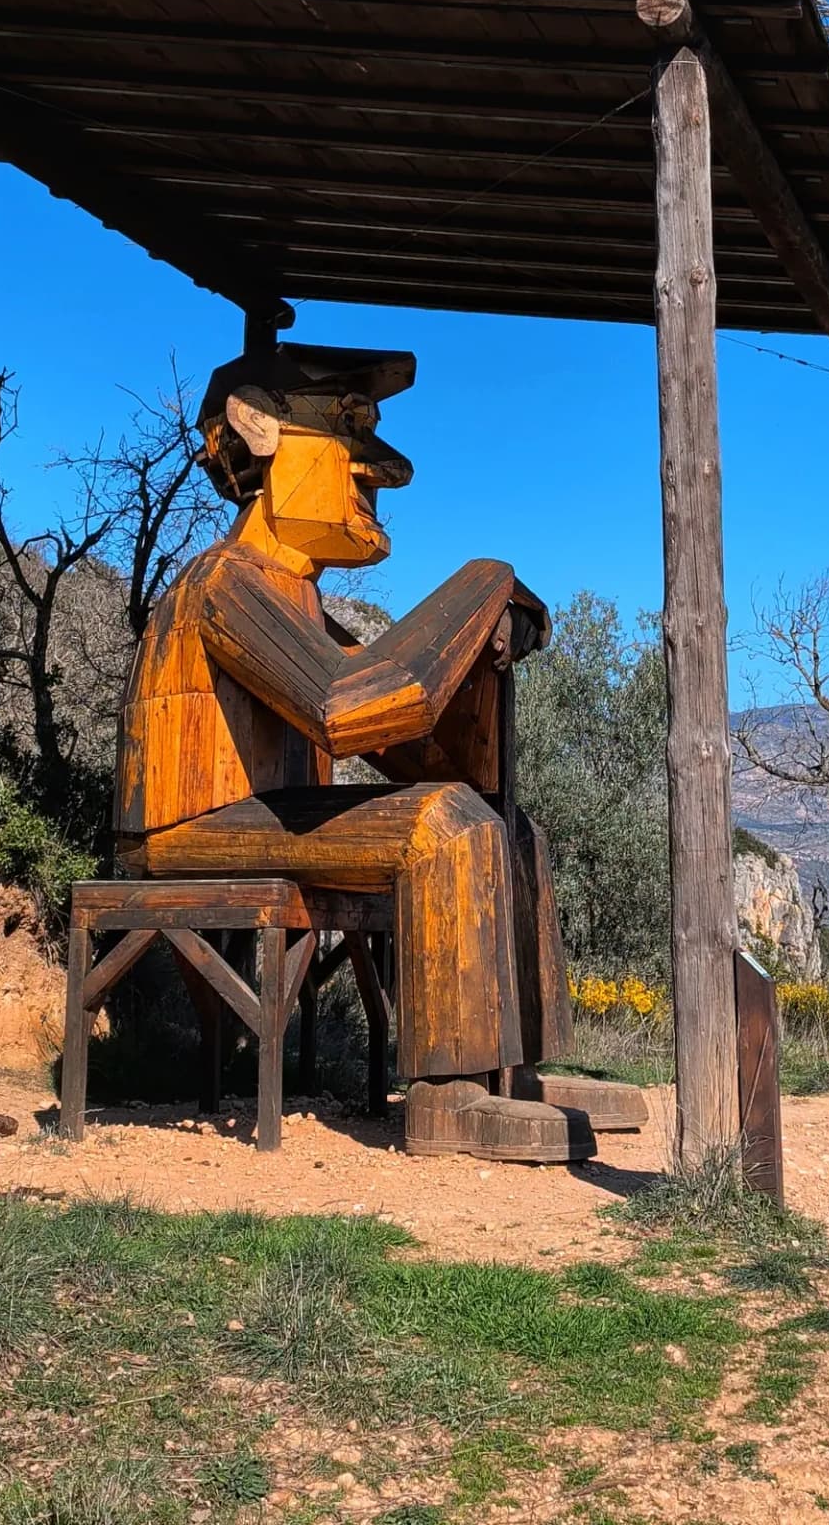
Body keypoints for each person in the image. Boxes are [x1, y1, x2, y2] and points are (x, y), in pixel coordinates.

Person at [112, 340, 623, 1159]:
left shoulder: (299, 604)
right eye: (349, 430)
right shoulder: (226, 582)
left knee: (508, 823)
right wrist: (484, 584)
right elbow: (348, 708)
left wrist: (489, 658)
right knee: (442, 826)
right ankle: (448, 1101)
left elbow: (414, 748)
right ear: (259, 427)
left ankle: (514, 1070)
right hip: (188, 825)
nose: (376, 471)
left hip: (272, 817)